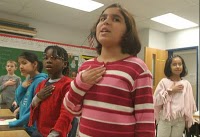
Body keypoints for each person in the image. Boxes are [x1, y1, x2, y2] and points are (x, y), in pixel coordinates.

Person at [63, 3, 155, 137]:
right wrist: (80, 83)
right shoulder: (85, 67)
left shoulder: (137, 68)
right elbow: (72, 109)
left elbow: (145, 121)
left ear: (127, 32)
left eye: (116, 19)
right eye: (102, 18)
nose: (106, 21)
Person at [28, 45, 74, 137]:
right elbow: (33, 105)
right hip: (40, 131)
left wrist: (54, 134)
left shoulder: (68, 85)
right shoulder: (42, 84)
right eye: (46, 58)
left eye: (54, 58)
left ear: (64, 64)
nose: (48, 60)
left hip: (56, 133)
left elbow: (66, 113)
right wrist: (37, 97)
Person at [154, 55, 196, 137]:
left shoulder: (186, 84)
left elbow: (189, 104)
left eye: (180, 64)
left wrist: (188, 120)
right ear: (169, 67)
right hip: (165, 118)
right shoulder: (163, 82)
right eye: (174, 64)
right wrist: (170, 91)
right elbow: (156, 101)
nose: (178, 66)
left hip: (180, 119)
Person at [9, 51, 48, 136]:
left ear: (34, 64)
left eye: (24, 63)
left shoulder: (40, 81)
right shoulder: (28, 80)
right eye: (20, 64)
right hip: (25, 125)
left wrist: (18, 122)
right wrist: (22, 87)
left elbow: (37, 108)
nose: (21, 67)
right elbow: (19, 101)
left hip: (33, 128)